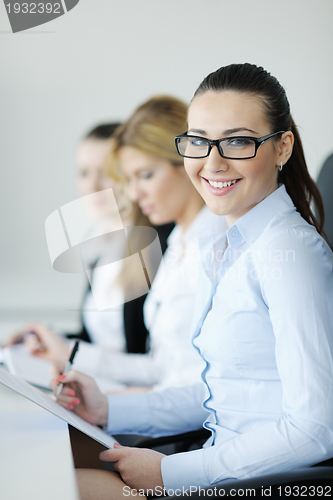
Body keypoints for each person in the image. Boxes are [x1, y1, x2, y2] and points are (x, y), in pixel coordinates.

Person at [50, 63, 333, 498]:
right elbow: (218, 387)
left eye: (238, 141)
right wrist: (109, 408)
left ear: (282, 148)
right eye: (199, 141)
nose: (212, 162)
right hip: (225, 465)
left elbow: (316, 428)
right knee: (53, 459)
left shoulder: (289, 253)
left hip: (263, 483)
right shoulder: (227, 244)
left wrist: (175, 473)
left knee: (58, 484)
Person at [5, 123, 173, 391]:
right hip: (105, 393)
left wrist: (71, 354)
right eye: (83, 173)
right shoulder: (101, 245)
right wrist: (45, 337)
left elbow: (163, 365)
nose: (92, 186)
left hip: (140, 405)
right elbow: (98, 340)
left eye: (106, 173)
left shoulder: (163, 245)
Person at [65, 95, 207, 392]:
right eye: (128, 178)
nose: (135, 193)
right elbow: (164, 367)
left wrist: (114, 404)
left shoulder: (177, 243)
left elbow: (195, 384)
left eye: (145, 175)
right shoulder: (178, 242)